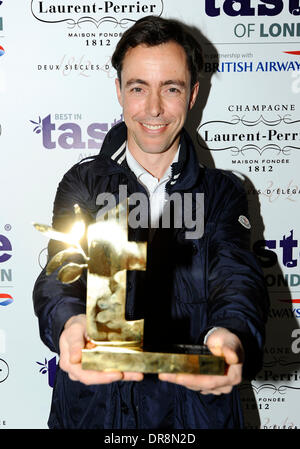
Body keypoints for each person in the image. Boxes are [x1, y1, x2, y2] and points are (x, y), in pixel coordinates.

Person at [33, 15, 269, 429]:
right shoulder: (83, 183)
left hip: (195, 415)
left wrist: (231, 337)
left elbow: (237, 282)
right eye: (139, 88)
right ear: (120, 92)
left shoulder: (222, 193)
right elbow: (61, 274)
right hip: (97, 411)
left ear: (193, 95)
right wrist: (71, 325)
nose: (154, 108)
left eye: (171, 89)